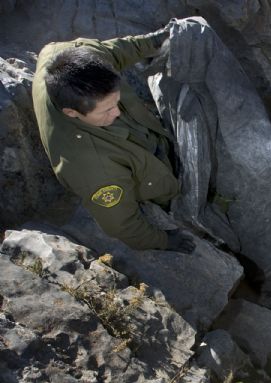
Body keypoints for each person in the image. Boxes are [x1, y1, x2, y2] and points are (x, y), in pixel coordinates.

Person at [32, 26, 195, 253]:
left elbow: (117, 51)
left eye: (117, 102)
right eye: (106, 110)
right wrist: (165, 240)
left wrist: (157, 40)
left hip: (132, 140)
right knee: (165, 188)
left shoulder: (69, 56)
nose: (117, 113)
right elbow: (122, 225)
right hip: (138, 176)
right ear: (72, 112)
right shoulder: (93, 169)